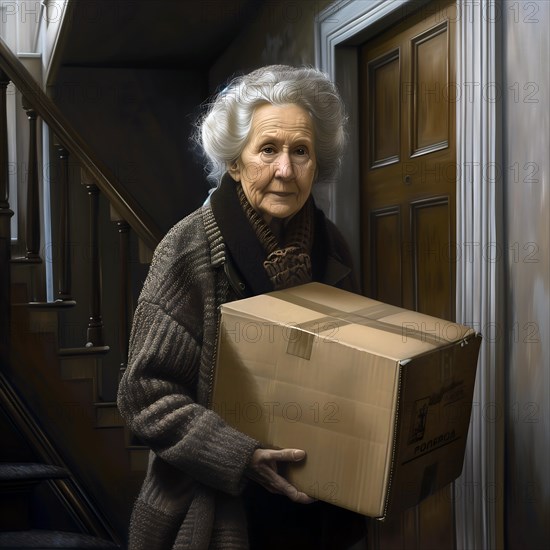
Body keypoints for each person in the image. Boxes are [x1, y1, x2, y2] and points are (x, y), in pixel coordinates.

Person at [117, 65, 366, 550]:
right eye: (268, 149)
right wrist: (239, 455)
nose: (285, 170)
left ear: (319, 164)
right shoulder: (187, 249)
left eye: (301, 152)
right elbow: (143, 395)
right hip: (219, 510)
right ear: (235, 161)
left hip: (317, 504)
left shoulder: (333, 247)